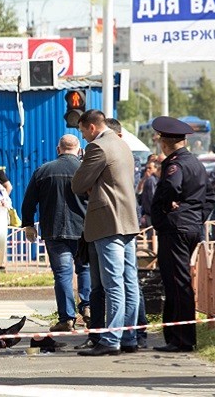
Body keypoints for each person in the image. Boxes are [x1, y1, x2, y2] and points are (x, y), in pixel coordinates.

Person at [71, 110, 140, 356]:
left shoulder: (97, 147)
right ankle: (129, 336)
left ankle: (111, 340)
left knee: (113, 283)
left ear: (91, 127)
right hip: (128, 220)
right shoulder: (123, 144)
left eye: (82, 131)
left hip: (108, 221)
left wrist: (91, 183)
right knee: (130, 282)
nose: (83, 137)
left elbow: (77, 184)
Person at [149, 116, 214, 353]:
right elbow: (210, 197)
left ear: (164, 142)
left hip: (175, 229)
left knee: (177, 284)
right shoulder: (196, 163)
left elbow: (171, 187)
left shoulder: (174, 165)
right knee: (177, 281)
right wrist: (195, 217)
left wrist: (169, 209)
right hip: (190, 227)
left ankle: (182, 339)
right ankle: (175, 337)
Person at [21, 134, 90, 333]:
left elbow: (28, 202)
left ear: (58, 149)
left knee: (62, 274)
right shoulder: (85, 170)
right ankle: (87, 307)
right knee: (85, 269)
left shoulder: (43, 171)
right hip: (83, 230)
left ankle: (67, 318)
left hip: (54, 230)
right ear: (79, 150)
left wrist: (29, 225)